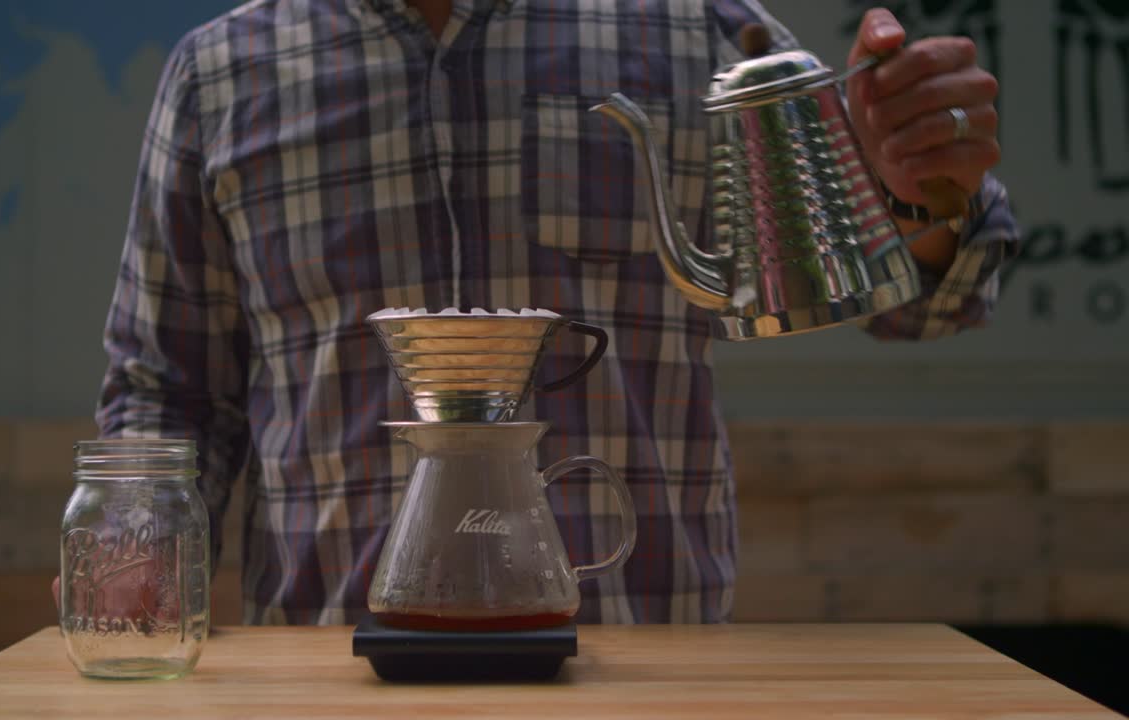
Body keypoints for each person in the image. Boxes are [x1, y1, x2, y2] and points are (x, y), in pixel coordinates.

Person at [91, 0, 1017, 625]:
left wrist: (918, 198)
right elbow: (168, 390)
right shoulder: (221, 74)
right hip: (327, 670)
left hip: (647, 676)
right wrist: (137, 543)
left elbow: (930, 302)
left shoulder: (693, 28)